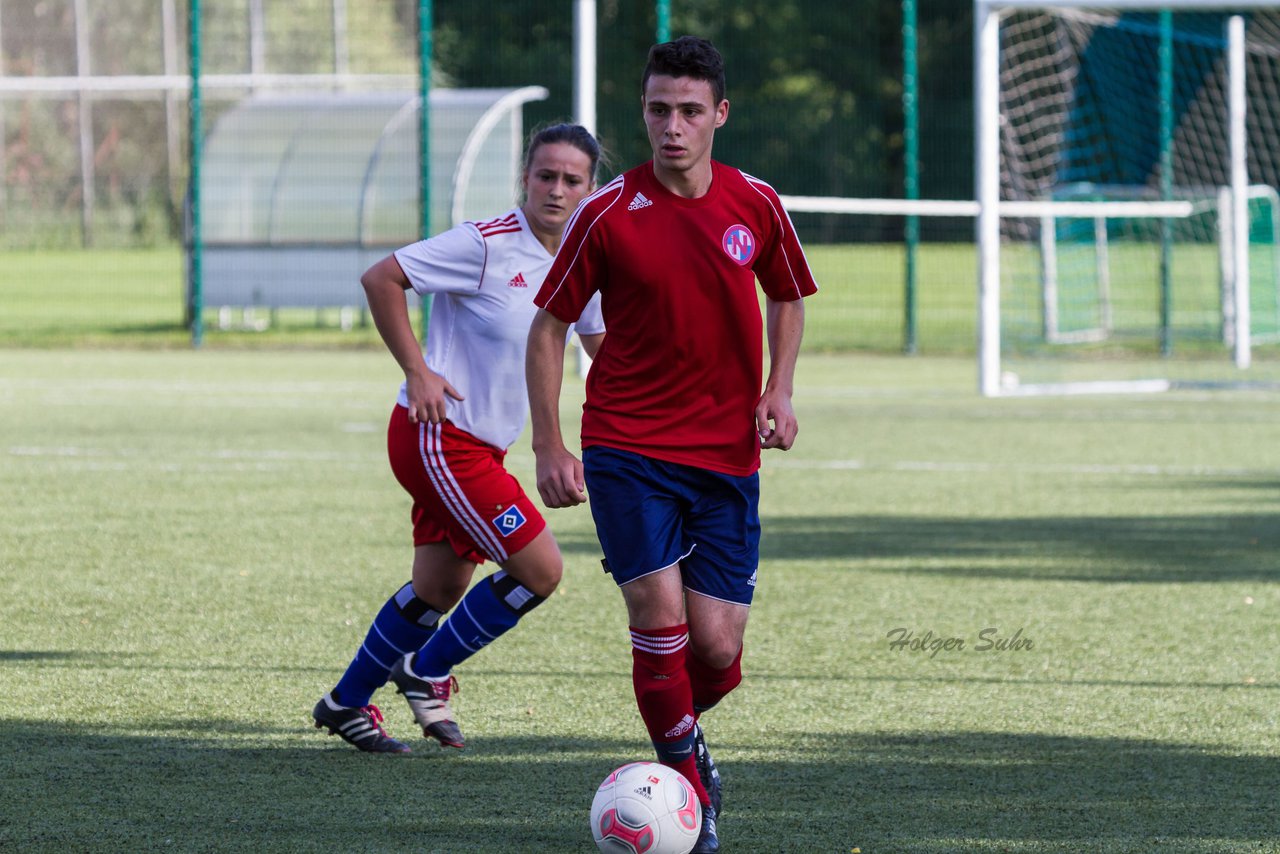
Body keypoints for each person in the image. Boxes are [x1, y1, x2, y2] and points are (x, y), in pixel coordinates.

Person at [526, 36, 818, 854]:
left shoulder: (755, 203)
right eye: (658, 110)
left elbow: (789, 296)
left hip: (727, 454)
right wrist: (550, 442)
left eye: (690, 111)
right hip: (628, 446)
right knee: (658, 620)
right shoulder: (608, 212)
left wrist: (779, 387)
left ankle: (676, 748)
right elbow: (549, 327)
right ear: (644, 113)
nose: (673, 127)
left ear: (719, 115)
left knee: (718, 652)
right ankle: (686, 788)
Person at [312, 123, 605, 754]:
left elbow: (601, 351)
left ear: (592, 187)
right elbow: (380, 278)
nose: (556, 190)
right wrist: (418, 371)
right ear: (523, 179)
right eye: (544, 176)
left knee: (440, 589)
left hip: (483, 446)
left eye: (571, 180)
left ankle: (344, 703)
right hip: (441, 437)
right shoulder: (484, 243)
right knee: (541, 569)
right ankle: (425, 669)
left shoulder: (584, 258)